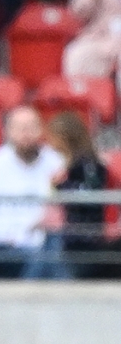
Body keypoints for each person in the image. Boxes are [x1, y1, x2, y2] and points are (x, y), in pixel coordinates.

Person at [0, 104, 66, 277]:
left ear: (41, 129)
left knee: (55, 255)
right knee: (42, 261)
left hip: (49, 244)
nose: (26, 134)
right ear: (7, 132)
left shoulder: (56, 163)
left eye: (32, 127)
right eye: (20, 128)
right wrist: (12, 235)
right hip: (2, 248)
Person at [44, 109, 111, 277]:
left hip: (86, 238)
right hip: (69, 236)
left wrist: (62, 185)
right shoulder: (65, 163)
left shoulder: (88, 165)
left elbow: (90, 196)